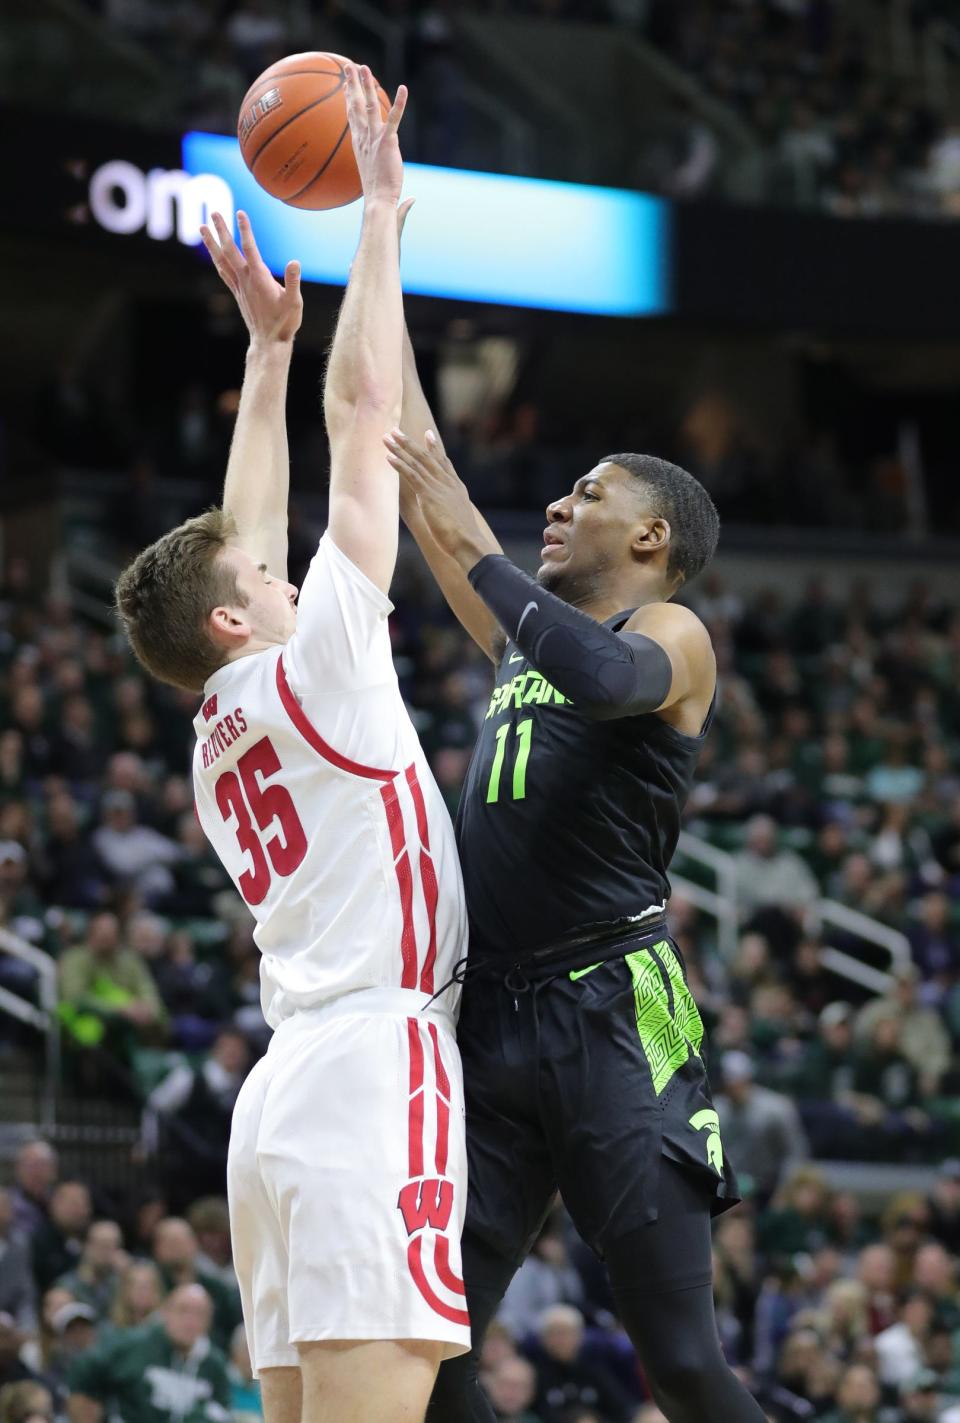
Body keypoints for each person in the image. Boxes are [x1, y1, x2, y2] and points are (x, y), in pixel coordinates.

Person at [113, 65, 469, 1423]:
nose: (284, 566)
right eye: (263, 573)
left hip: (283, 1100)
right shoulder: (316, 658)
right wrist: (380, 215)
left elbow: (234, 534)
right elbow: (366, 419)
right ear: (234, 614)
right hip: (372, 1063)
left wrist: (265, 352)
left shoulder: (222, 716)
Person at [388, 340, 763, 1420]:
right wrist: (377, 261)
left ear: (651, 535)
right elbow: (431, 488)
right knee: (431, 1351)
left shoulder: (669, 631)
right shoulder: (522, 643)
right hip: (492, 1018)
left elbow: (602, 680)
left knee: (684, 1363)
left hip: (614, 1010)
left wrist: (479, 560)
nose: (556, 503)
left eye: (587, 492)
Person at [66, 1283, 230, 1423]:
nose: (190, 1322)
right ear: (166, 1312)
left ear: (209, 1322)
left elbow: (222, 1411)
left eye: (200, 1314)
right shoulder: (134, 1345)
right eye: (183, 1311)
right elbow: (82, 1370)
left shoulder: (215, 1364)